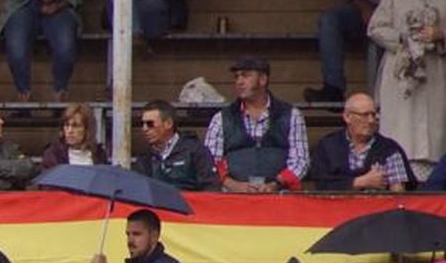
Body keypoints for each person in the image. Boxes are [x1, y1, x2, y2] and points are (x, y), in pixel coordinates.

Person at [368, 0, 446, 176]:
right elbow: (375, 27)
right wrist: (403, 37)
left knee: (434, 130)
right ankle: (398, 174)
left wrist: (440, 34)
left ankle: (431, 180)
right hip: (401, 71)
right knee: (400, 126)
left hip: (436, 69)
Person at [204, 56, 310, 192]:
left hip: (280, 195)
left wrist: (276, 184)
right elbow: (209, 162)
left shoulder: (291, 115)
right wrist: (235, 186)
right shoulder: (221, 119)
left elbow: (301, 161)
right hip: (233, 197)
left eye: (245, 76)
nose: (239, 82)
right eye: (237, 77)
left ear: (263, 80)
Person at [307, 92, 414, 190]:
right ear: (347, 117)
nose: (371, 120)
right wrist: (361, 182)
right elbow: (321, 186)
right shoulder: (327, 146)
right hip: (336, 205)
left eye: (373, 115)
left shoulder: (390, 149)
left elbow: (398, 195)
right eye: (365, 115)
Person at [132, 100, 220, 190]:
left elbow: (211, 188)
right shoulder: (144, 158)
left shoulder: (195, 150)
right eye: (142, 124)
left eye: (150, 124)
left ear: (168, 124)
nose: (144, 129)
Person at [42, 104, 108, 168]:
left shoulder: (99, 154)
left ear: (87, 129)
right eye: (67, 125)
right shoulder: (54, 154)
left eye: (76, 126)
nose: (70, 131)